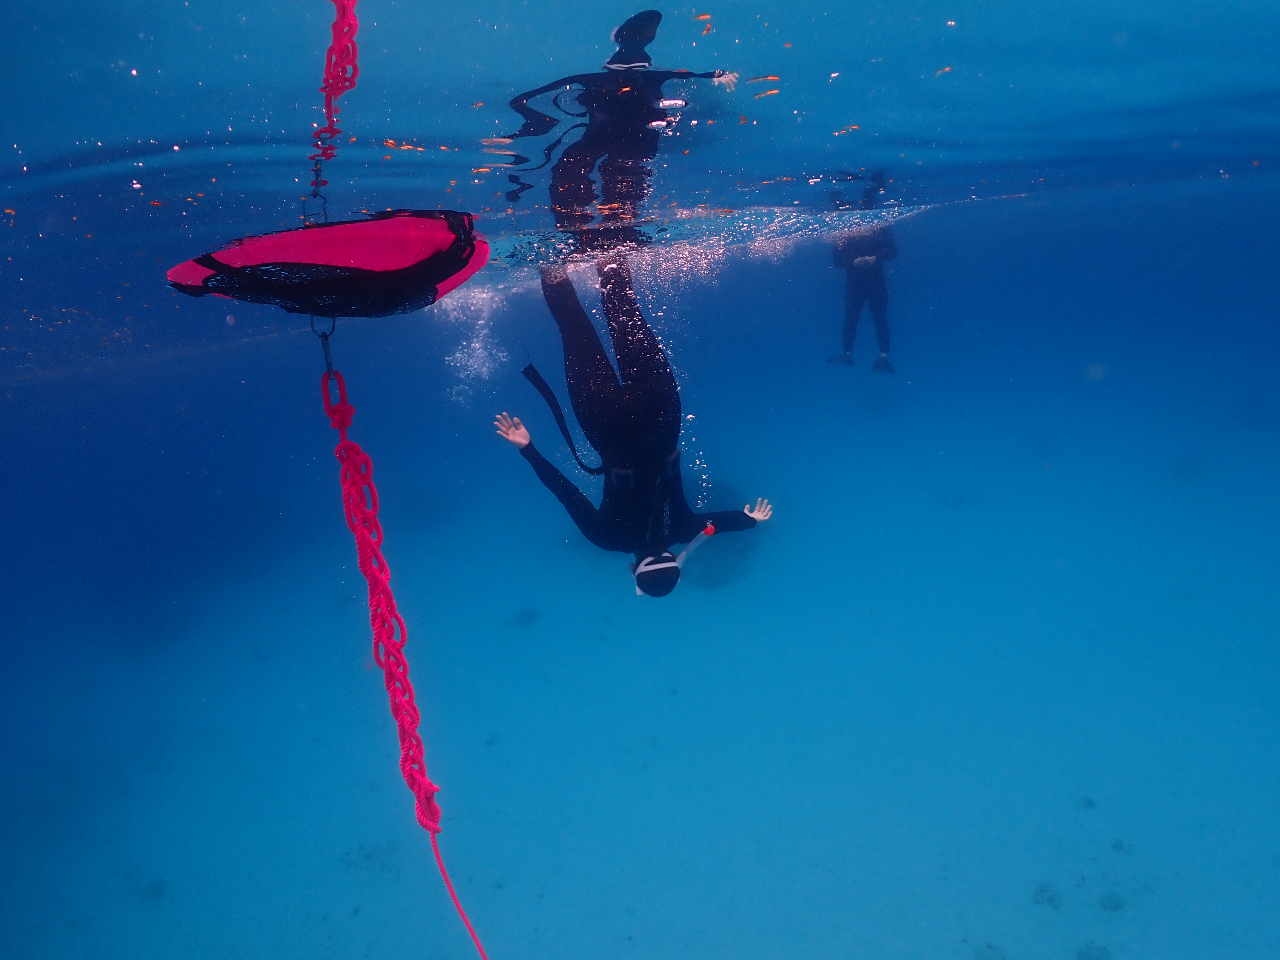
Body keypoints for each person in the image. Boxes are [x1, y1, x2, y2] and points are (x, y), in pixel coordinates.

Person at [495, 255, 771, 597]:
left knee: (625, 311)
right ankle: (552, 261)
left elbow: (724, 523)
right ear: (633, 570)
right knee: (574, 329)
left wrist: (751, 520)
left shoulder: (684, 530)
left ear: (674, 559)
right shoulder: (608, 539)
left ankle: (610, 244)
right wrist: (528, 449)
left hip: (661, 414)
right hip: (605, 424)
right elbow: (566, 493)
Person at [488, 10, 737, 246]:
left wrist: (515, 136)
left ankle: (584, 231)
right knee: (595, 175)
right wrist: (715, 75)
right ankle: (598, 232)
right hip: (628, 142)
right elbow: (526, 100)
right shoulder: (646, 77)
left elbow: (524, 100)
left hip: (618, 140)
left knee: (583, 171)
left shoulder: (596, 79)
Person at [827, 172, 897, 373]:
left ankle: (879, 357)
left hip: (869, 284)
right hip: (863, 285)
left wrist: (873, 259)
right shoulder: (848, 232)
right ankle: (851, 354)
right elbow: (838, 261)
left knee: (874, 319)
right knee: (857, 319)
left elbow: (892, 251)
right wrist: (855, 262)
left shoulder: (874, 228)